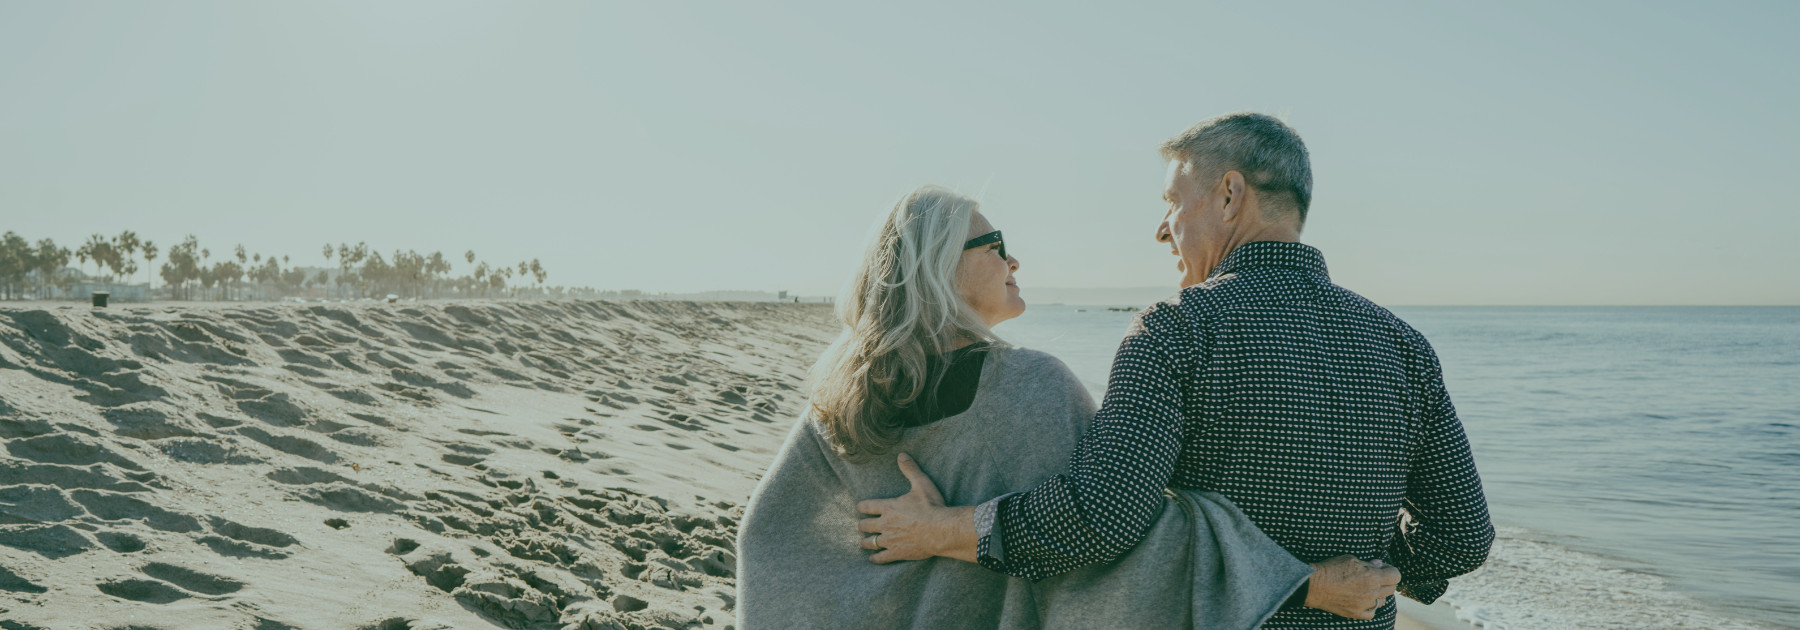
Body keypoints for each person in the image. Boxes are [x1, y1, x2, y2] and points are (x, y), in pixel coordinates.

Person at [858, 113, 1494, 629]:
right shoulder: (1402, 344)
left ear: (1229, 194)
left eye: (1172, 201)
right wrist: (1381, 577)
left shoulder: (1178, 328)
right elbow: (1464, 535)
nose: (1162, 228)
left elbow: (1099, 518)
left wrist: (941, 530)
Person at [737, 186, 1385, 629]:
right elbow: (1118, 534)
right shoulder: (1028, 387)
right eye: (994, 243)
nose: (1013, 257)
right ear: (938, 268)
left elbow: (768, 540)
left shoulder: (840, 398)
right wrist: (1307, 582)